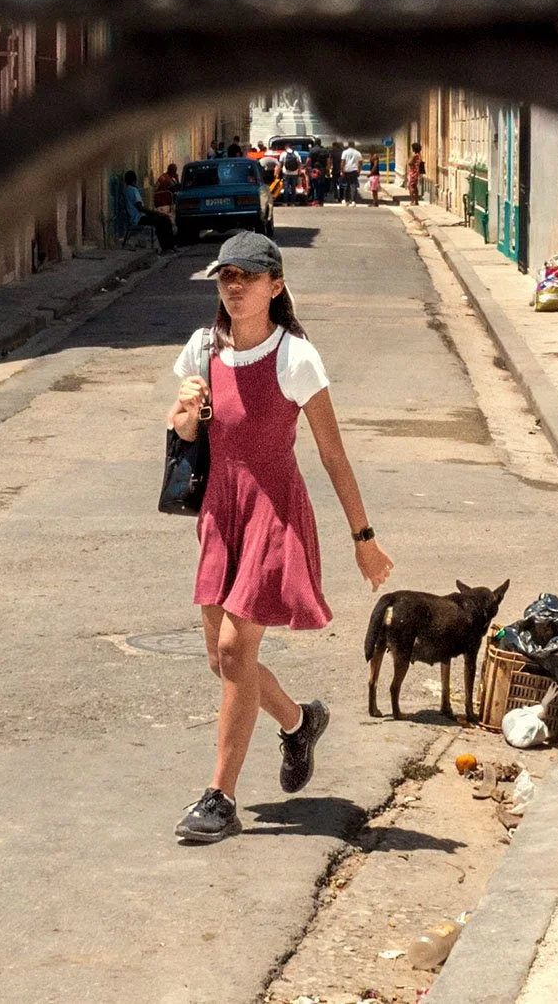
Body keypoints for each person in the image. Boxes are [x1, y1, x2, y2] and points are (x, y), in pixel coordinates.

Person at [168, 231, 394, 843]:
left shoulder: (296, 357)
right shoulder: (201, 350)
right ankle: (299, 723)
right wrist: (185, 411)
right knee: (222, 659)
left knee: (239, 653)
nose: (234, 286)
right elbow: (184, 434)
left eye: (247, 276)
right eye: (226, 277)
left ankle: (220, 798)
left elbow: (332, 454)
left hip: (274, 511)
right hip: (221, 511)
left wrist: (363, 537)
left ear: (276, 286)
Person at [124, 170, 174, 251]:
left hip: (135, 218)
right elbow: (140, 208)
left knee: (162, 219)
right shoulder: (133, 190)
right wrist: (155, 213)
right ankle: (167, 246)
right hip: (139, 218)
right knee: (163, 220)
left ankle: (168, 246)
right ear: (134, 180)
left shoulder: (126, 190)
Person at [339, 141, 363, 206]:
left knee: (346, 185)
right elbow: (360, 163)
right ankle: (353, 201)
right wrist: (359, 170)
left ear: (348, 145)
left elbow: (342, 162)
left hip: (346, 170)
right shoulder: (358, 153)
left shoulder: (345, 152)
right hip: (354, 170)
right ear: (354, 145)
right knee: (353, 185)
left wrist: (341, 171)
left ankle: (346, 200)